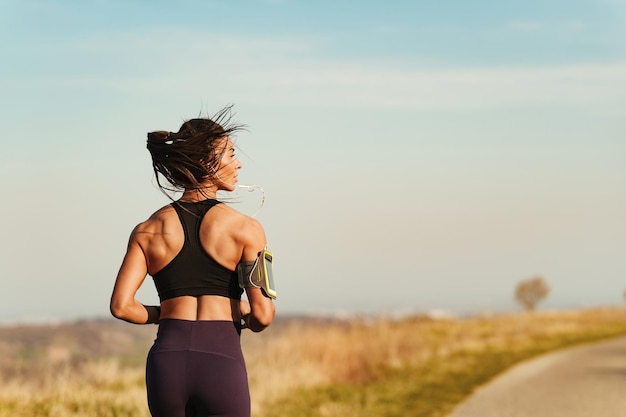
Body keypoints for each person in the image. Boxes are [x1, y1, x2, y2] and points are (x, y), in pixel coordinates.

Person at [110, 106, 276, 417]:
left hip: (166, 361)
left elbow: (122, 306)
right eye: (229, 154)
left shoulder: (147, 230)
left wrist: (166, 313)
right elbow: (263, 316)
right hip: (221, 360)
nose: (238, 163)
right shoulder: (246, 228)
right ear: (205, 162)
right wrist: (242, 313)